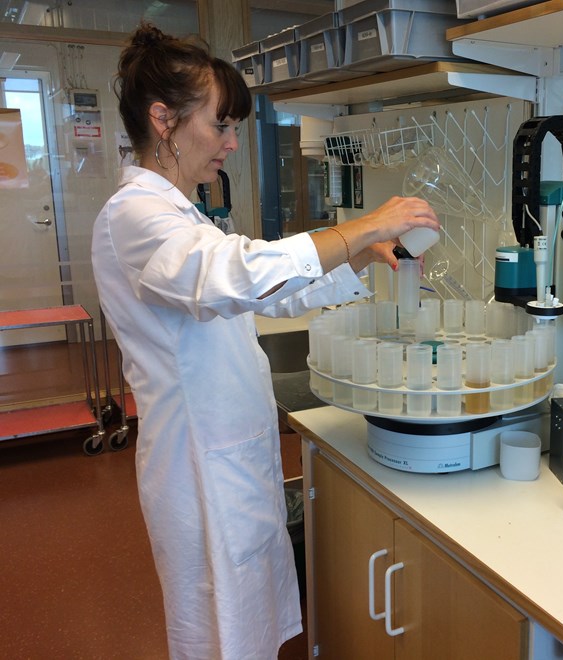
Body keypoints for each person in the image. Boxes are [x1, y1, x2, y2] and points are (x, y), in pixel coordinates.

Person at [91, 22, 439, 660]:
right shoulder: (132, 215)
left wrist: (361, 255)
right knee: (217, 638)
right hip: (196, 470)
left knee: (246, 633)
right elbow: (237, 275)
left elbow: (268, 293)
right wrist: (365, 223)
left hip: (231, 457)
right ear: (163, 119)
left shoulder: (179, 211)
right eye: (219, 126)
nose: (228, 144)